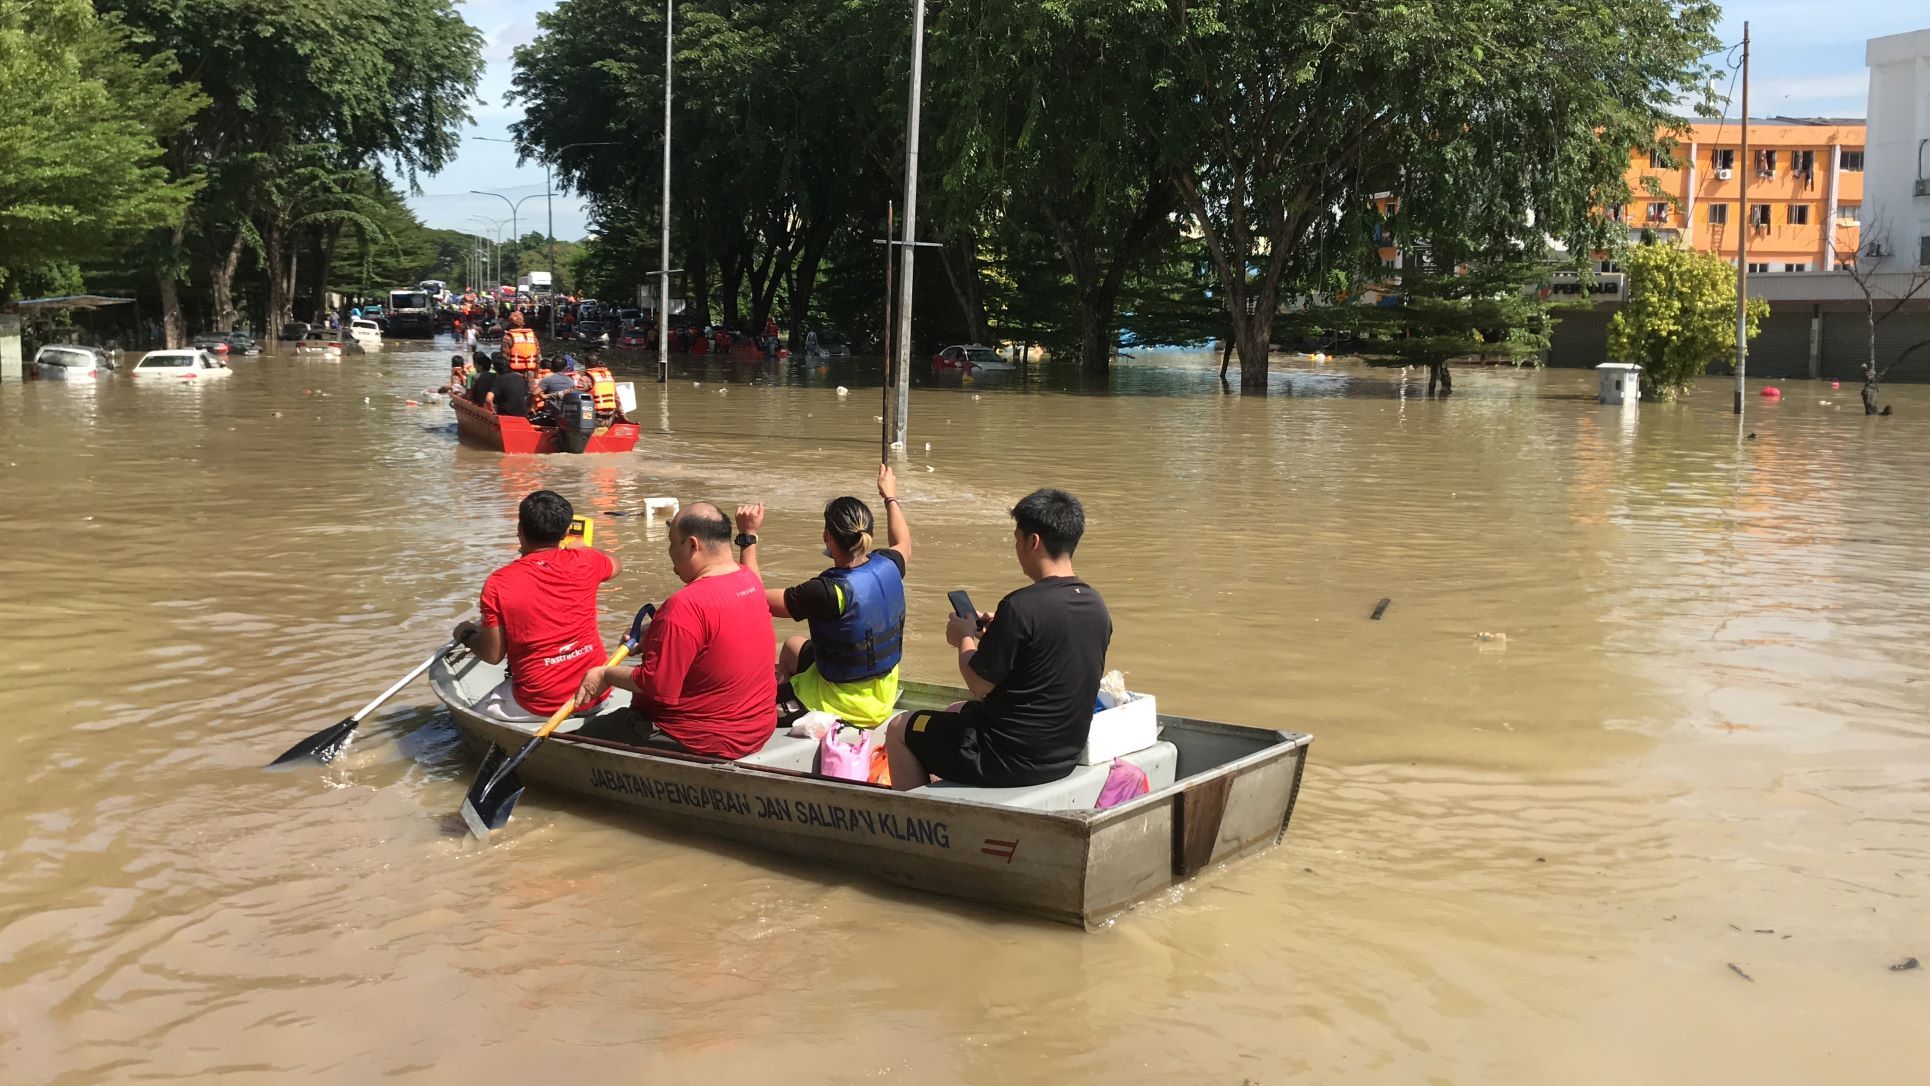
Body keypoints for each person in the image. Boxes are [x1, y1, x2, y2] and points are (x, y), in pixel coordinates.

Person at [883, 489, 1111, 791]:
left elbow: (978, 684)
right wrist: (999, 628)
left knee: (900, 728)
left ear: (1033, 542)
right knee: (954, 711)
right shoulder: (1096, 605)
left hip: (1005, 759)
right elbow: (1044, 653)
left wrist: (964, 638)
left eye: (1017, 539)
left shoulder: (1021, 606)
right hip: (1061, 756)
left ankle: (917, 817)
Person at [574, 503, 777, 759]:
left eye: (672, 543)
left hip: (702, 738)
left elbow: (657, 686)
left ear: (692, 545)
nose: (669, 552)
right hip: (758, 729)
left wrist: (605, 674)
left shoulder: (684, 606)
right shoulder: (750, 580)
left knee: (578, 742)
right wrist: (655, 631)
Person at [735, 464, 911, 730]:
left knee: (743, 708)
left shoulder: (827, 592)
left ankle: (785, 702)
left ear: (827, 537)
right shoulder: (891, 564)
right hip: (881, 696)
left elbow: (752, 597)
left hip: (841, 704)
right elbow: (904, 543)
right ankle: (785, 690)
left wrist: (747, 537)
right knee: (792, 646)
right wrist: (890, 496)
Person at [452, 490, 624, 720]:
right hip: (597, 691)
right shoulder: (587, 560)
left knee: (468, 718)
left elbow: (493, 655)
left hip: (541, 703)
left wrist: (466, 634)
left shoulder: (499, 583)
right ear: (565, 533)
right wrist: (583, 548)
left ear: (520, 530)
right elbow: (616, 564)